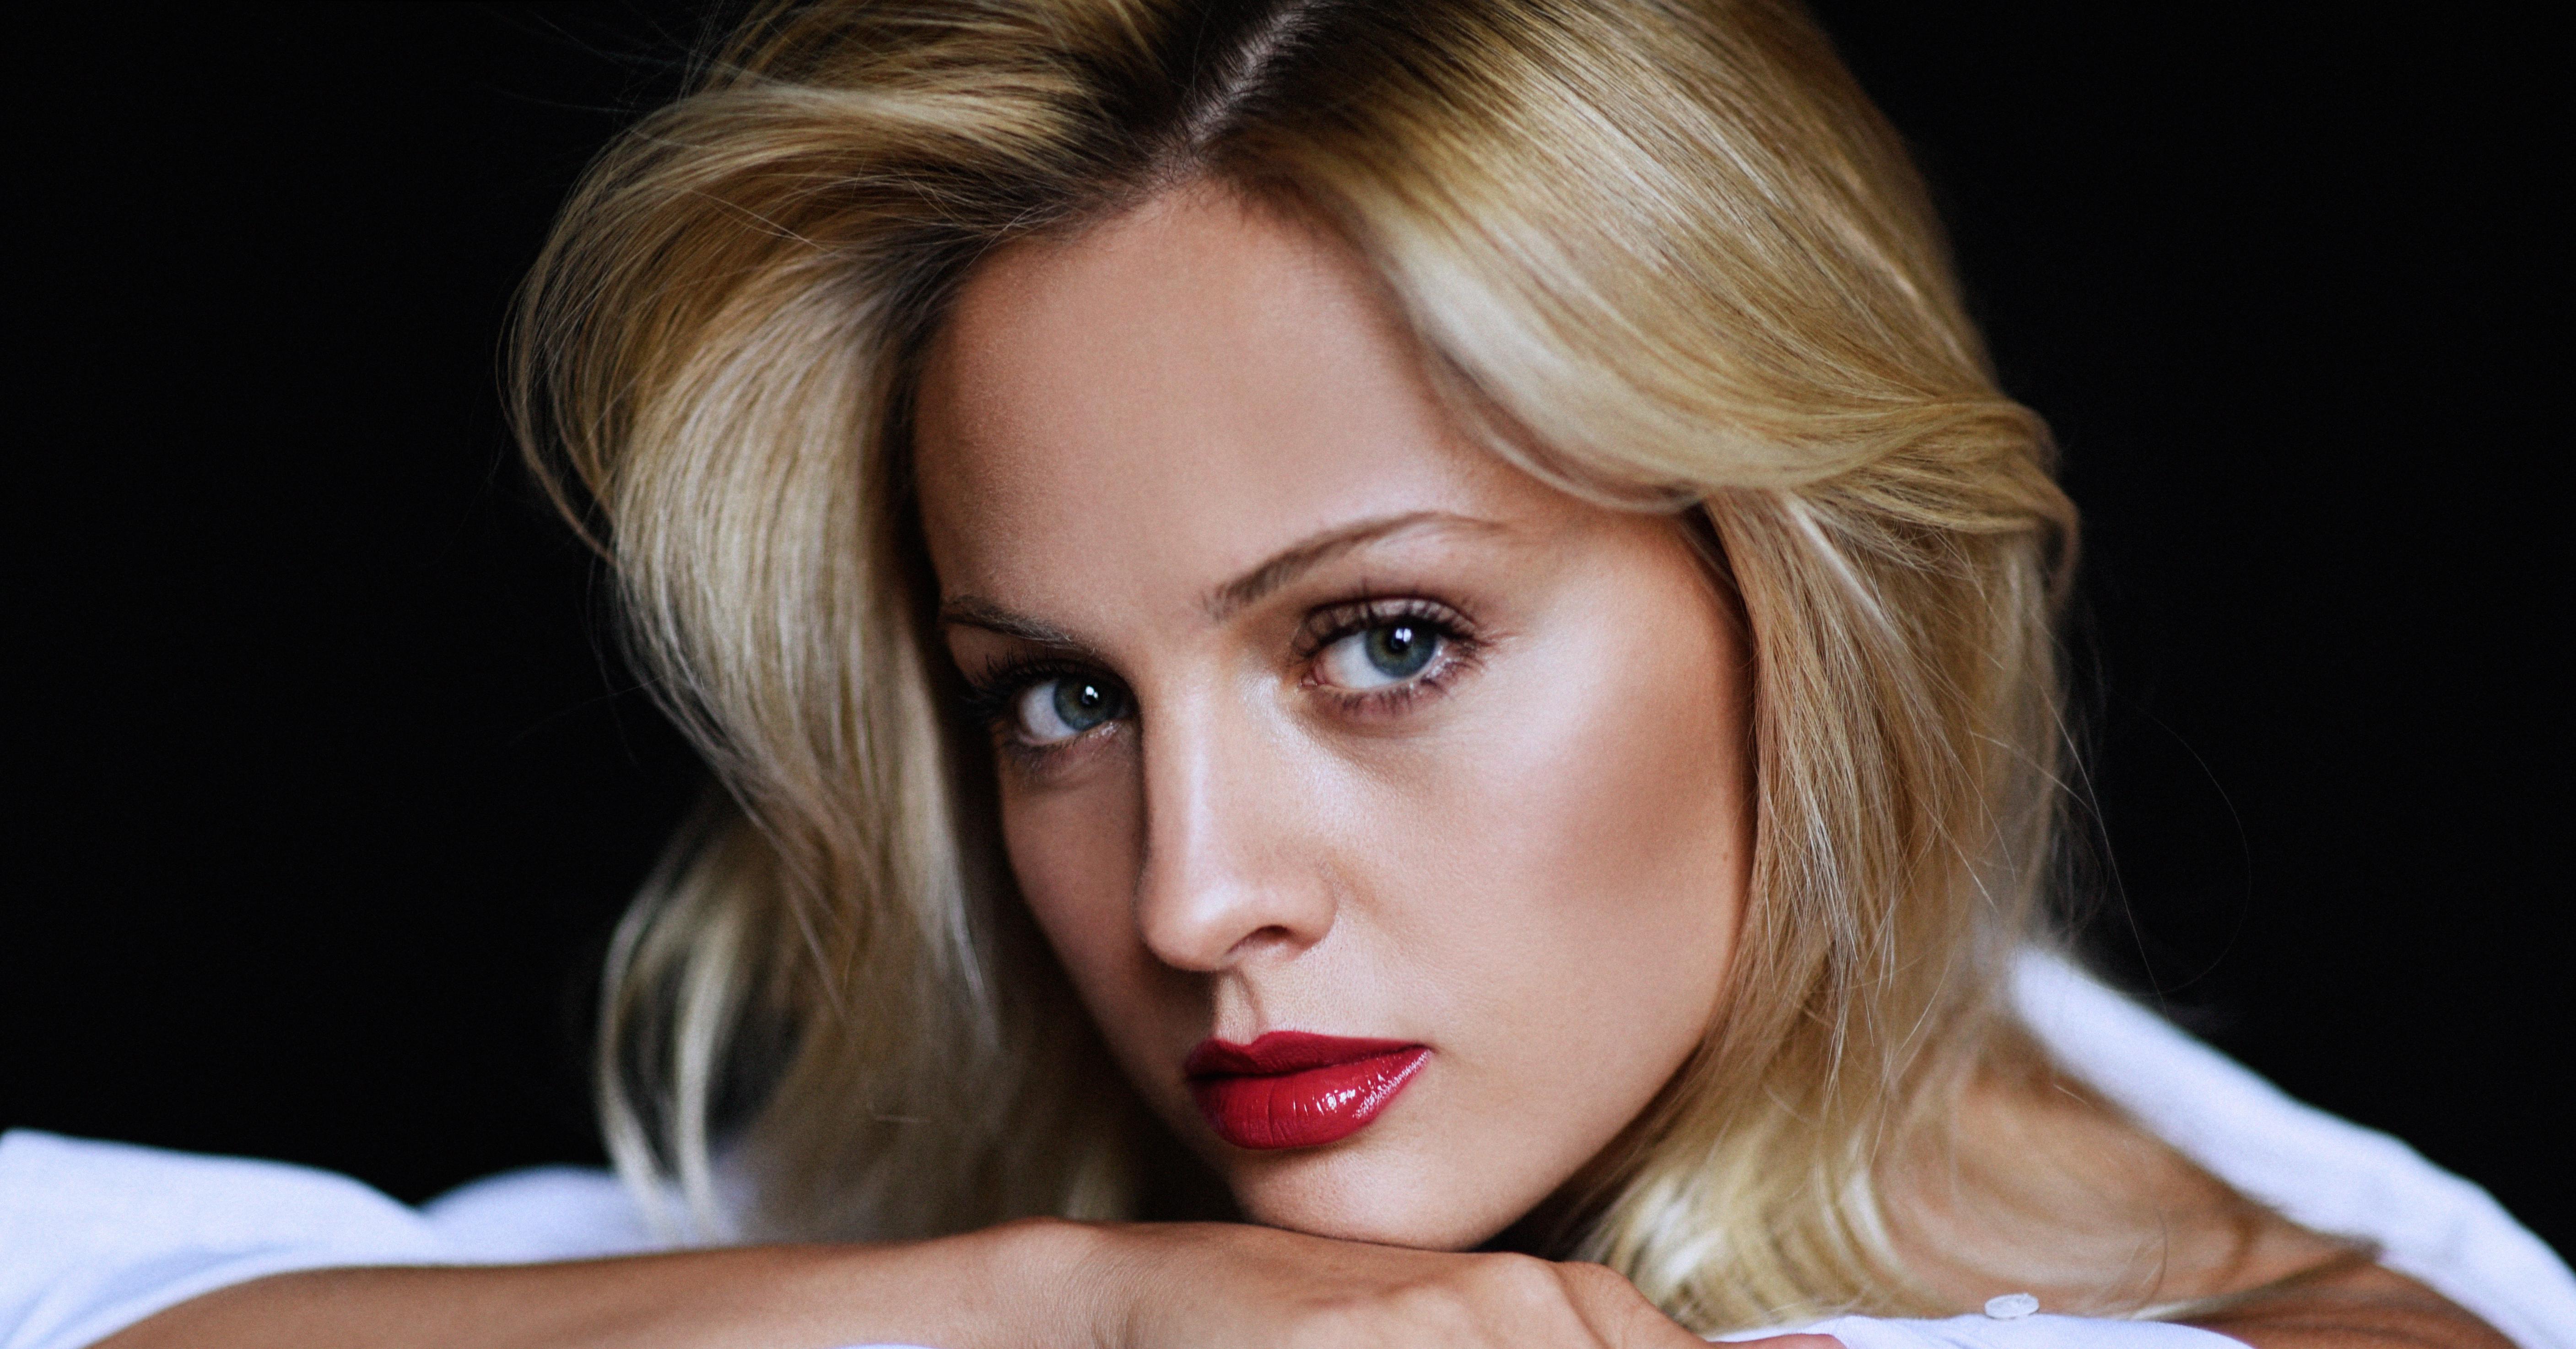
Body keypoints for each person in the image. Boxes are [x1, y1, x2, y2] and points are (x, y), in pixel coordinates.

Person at [2, 2, 2566, 1346]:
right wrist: (1071, 1306)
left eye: (1385, 640)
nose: (1190, 897)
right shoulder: (998, 1243)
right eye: (1059, 699)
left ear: (1809, 600)